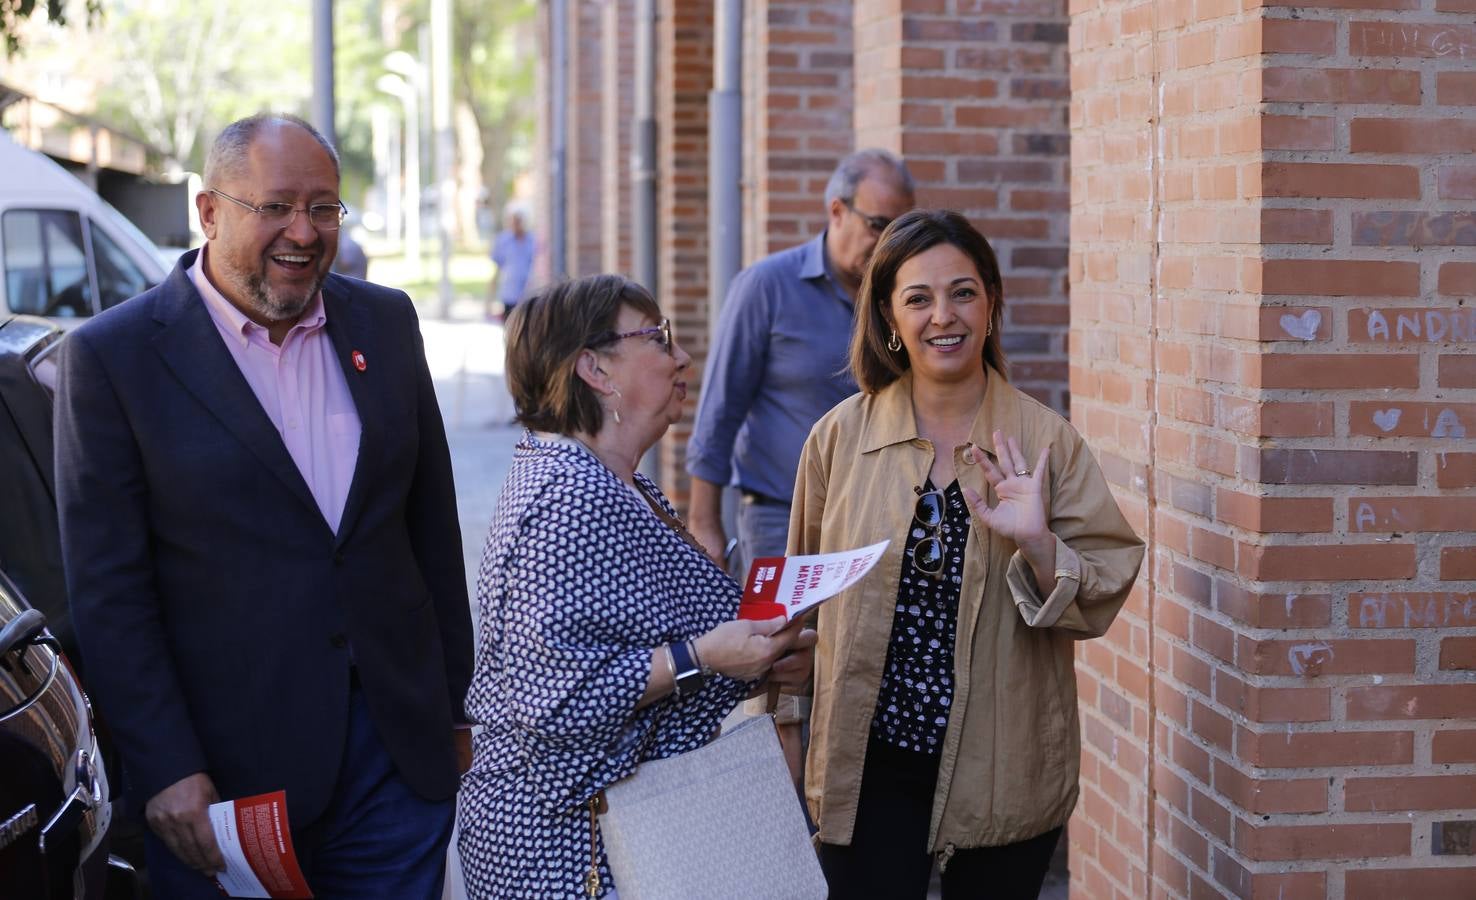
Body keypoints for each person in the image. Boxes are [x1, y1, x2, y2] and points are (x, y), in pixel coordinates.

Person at [54, 114, 472, 899]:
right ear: (209, 212)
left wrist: (455, 710)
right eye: (275, 207)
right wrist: (167, 767)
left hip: (393, 759)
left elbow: (429, 529)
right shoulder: (113, 360)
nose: (304, 232)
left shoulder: (386, 323)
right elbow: (111, 595)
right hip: (225, 787)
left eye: (324, 209)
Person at [790, 210, 1145, 899]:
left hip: (1003, 764)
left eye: (962, 292)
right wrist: (779, 723)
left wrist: (1038, 542)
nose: (942, 315)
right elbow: (796, 606)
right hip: (869, 768)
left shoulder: (1046, 443)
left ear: (991, 304)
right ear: (889, 318)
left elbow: (1102, 590)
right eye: (917, 298)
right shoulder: (838, 440)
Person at [456, 274, 817, 898]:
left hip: (618, 828)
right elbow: (558, 698)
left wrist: (762, 661)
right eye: (658, 338)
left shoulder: (615, 482)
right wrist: (704, 657)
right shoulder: (568, 497)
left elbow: (648, 639)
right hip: (567, 849)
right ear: (594, 369)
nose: (682, 357)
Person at [686, 149, 915, 576]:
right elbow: (719, 411)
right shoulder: (766, 287)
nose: (889, 244)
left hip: (882, 518)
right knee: (787, 642)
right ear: (836, 211)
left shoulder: (902, 298)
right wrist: (704, 522)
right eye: (878, 225)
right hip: (781, 519)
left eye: (899, 229)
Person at [488, 207, 535, 317]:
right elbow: (497, 269)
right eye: (513, 221)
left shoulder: (533, 241)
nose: (516, 224)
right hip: (509, 294)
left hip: (529, 294)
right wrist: (490, 299)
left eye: (519, 221)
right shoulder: (503, 241)